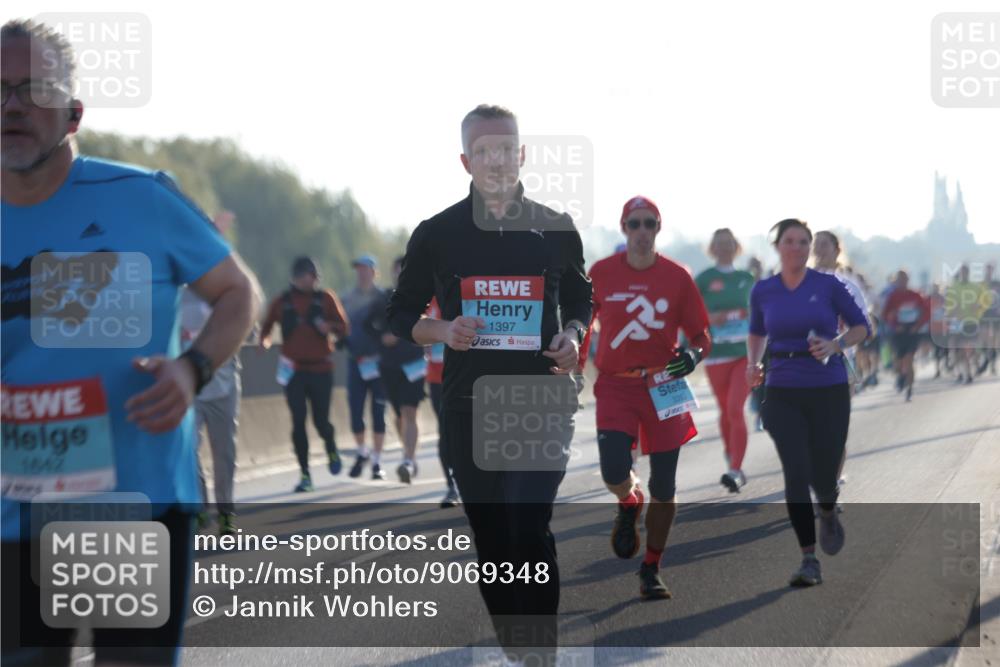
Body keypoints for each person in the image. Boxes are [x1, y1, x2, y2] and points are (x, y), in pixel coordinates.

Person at [1, 19, 257, 666]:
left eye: (32, 88)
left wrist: (192, 368)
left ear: (73, 112)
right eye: (0, 88)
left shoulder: (142, 197)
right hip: (13, 517)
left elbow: (236, 293)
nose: (11, 104)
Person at [387, 104, 592, 663]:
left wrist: (574, 335)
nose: (496, 160)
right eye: (484, 151)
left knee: (528, 526)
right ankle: (515, 642)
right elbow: (399, 314)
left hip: (542, 400)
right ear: (465, 160)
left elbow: (580, 298)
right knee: (494, 540)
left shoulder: (556, 227)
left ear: (521, 155)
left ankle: (538, 654)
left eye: (506, 149)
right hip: (468, 407)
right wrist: (443, 328)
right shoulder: (437, 233)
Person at [582, 195, 711, 599]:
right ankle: (628, 500)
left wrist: (693, 356)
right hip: (616, 383)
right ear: (623, 228)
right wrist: (572, 362)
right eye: (634, 223)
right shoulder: (601, 272)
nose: (641, 231)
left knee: (666, 484)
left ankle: (652, 567)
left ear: (658, 228)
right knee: (613, 469)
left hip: (663, 384)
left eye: (649, 224)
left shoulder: (677, 276)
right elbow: (582, 323)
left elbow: (702, 336)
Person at [746, 219, 869, 587]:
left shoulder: (829, 285)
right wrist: (753, 363)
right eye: (790, 241)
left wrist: (836, 344)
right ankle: (808, 558)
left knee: (823, 472)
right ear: (778, 245)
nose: (797, 247)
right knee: (796, 471)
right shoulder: (764, 290)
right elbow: (756, 332)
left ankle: (828, 508)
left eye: (803, 241)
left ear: (809, 247)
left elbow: (863, 326)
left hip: (828, 385)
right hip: (782, 385)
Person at [260, 256, 349, 492]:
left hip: (321, 369)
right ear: (296, 278)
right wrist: (265, 342)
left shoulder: (326, 299)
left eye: (313, 276)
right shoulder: (282, 302)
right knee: (298, 421)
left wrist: (329, 328)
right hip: (294, 371)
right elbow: (266, 326)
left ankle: (330, 446)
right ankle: (305, 474)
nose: (310, 281)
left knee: (321, 421)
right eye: (306, 276)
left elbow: (343, 328)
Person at [695, 229, 751, 493]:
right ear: (712, 248)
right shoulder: (705, 279)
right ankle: (731, 453)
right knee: (724, 410)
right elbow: (691, 311)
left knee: (735, 408)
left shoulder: (746, 278)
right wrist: (709, 317)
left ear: (736, 246)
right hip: (716, 355)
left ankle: (736, 469)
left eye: (729, 243)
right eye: (719, 244)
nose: (725, 248)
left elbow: (760, 311)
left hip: (744, 353)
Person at [364, 256, 427, 484]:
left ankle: (408, 461)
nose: (400, 276)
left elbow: (430, 323)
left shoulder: (421, 296)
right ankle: (409, 455)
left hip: (414, 362)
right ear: (392, 274)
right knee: (399, 415)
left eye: (405, 271)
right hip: (389, 365)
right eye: (397, 271)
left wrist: (403, 338)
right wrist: (382, 337)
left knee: (410, 411)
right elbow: (367, 325)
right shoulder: (383, 298)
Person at [341, 255, 389, 479]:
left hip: (379, 362)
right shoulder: (347, 299)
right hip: (356, 362)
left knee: (379, 411)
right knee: (355, 411)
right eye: (358, 269)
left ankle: (377, 462)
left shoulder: (384, 297)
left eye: (365, 269)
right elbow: (340, 326)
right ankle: (362, 451)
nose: (361, 273)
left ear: (374, 272)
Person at [424, 296, 460, 506]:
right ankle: (451, 487)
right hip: (437, 377)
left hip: (464, 374)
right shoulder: (426, 300)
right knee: (445, 430)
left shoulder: (460, 292)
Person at [882, 270, 930, 401]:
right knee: (898, 363)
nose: (902, 282)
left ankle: (909, 389)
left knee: (909, 360)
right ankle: (901, 376)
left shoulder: (915, 295)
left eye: (904, 279)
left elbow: (926, 312)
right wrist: (895, 326)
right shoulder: (893, 296)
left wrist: (917, 326)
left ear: (908, 280)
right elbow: (885, 315)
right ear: (896, 281)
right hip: (898, 332)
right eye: (900, 279)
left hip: (912, 332)